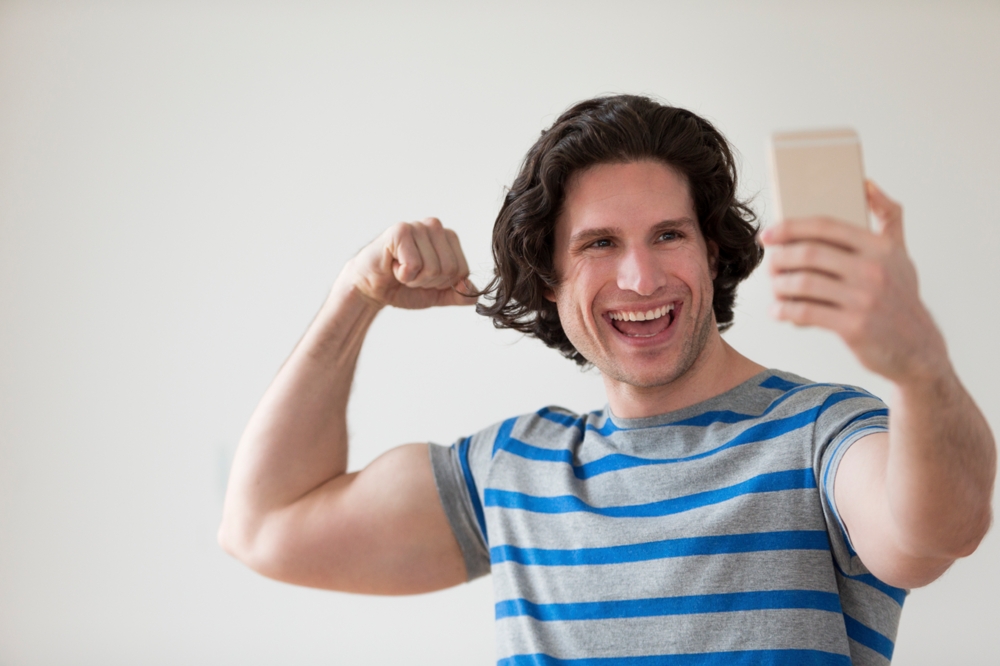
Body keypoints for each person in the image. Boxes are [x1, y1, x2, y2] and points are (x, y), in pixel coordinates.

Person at [218, 95, 995, 665]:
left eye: (669, 234)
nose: (640, 277)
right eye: (599, 244)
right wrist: (355, 297)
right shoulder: (513, 470)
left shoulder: (820, 432)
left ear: (712, 253)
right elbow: (264, 527)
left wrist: (919, 363)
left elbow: (935, 534)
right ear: (549, 280)